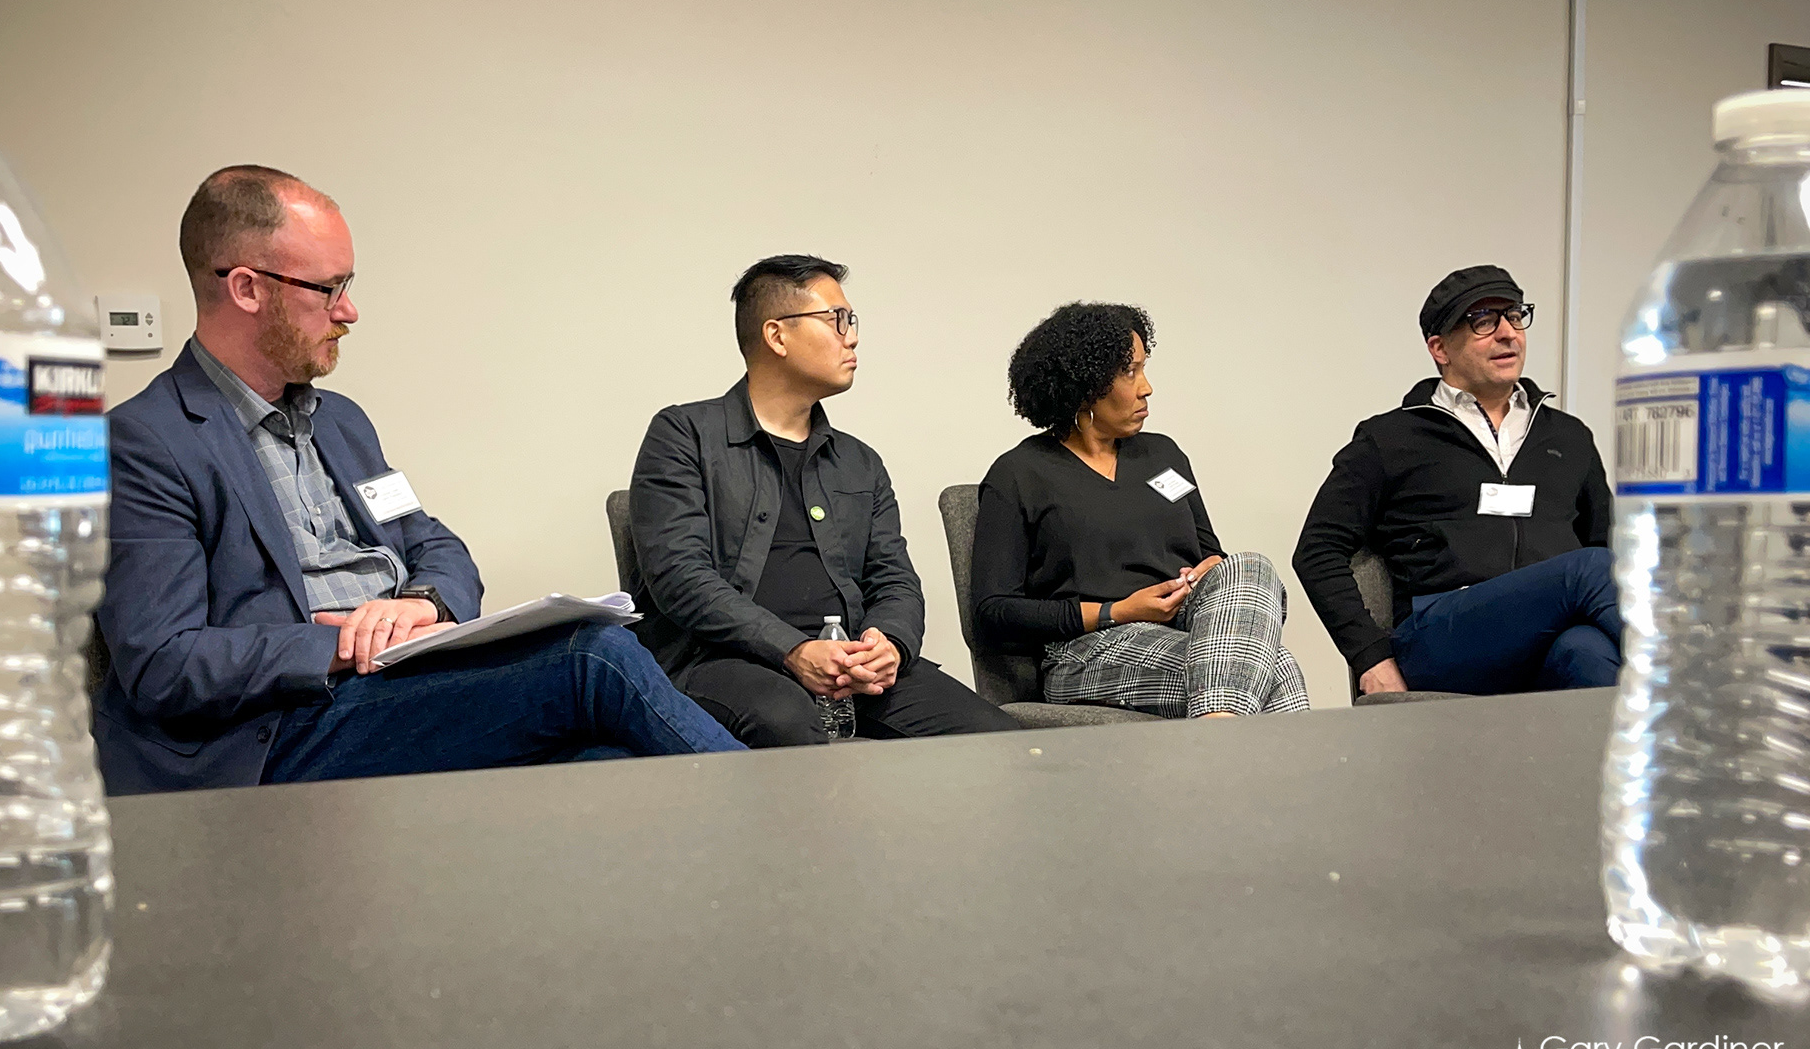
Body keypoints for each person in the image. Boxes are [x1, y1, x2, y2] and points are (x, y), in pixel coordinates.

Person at [95, 165, 743, 794]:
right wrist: (341, 643)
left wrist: (423, 605)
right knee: (594, 655)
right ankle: (787, 821)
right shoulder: (148, 440)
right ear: (246, 289)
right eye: (327, 289)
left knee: (603, 760)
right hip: (275, 729)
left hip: (397, 687)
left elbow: (437, 547)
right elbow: (163, 664)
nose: (349, 311)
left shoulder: (340, 423)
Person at [628, 254, 1019, 747]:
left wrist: (889, 644)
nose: (851, 336)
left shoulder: (859, 461)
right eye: (837, 319)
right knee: (788, 721)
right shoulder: (683, 434)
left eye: (851, 321)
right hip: (721, 662)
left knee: (997, 737)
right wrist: (791, 649)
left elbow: (895, 578)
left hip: (848, 664)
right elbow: (680, 578)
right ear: (777, 336)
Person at [1293, 264, 1618, 697]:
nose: (1508, 333)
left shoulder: (1568, 437)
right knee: (1590, 570)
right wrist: (1369, 656)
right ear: (1440, 348)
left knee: (1588, 650)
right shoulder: (1391, 438)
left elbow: (1609, 541)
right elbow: (1317, 550)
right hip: (1443, 635)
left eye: (1515, 316)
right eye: (1483, 321)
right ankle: (1700, 689)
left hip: (1547, 634)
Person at [972, 302, 1309, 718]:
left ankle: (1218, 731)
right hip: (1087, 650)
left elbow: (1210, 554)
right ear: (1085, 384)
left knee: (1251, 566)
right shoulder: (1019, 474)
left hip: (1188, 627)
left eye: (1143, 369)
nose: (1146, 387)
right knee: (1277, 669)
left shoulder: (1164, 455)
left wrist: (1203, 571)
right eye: (1129, 372)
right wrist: (1119, 610)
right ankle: (1235, 751)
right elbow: (995, 609)